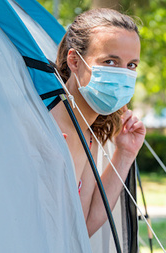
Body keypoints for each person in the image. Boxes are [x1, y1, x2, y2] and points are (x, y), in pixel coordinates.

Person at [51, 8, 145, 237]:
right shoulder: (45, 126)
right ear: (74, 61)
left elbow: (83, 228)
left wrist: (125, 154)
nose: (123, 74)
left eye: (131, 65)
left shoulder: (89, 136)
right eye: (110, 61)